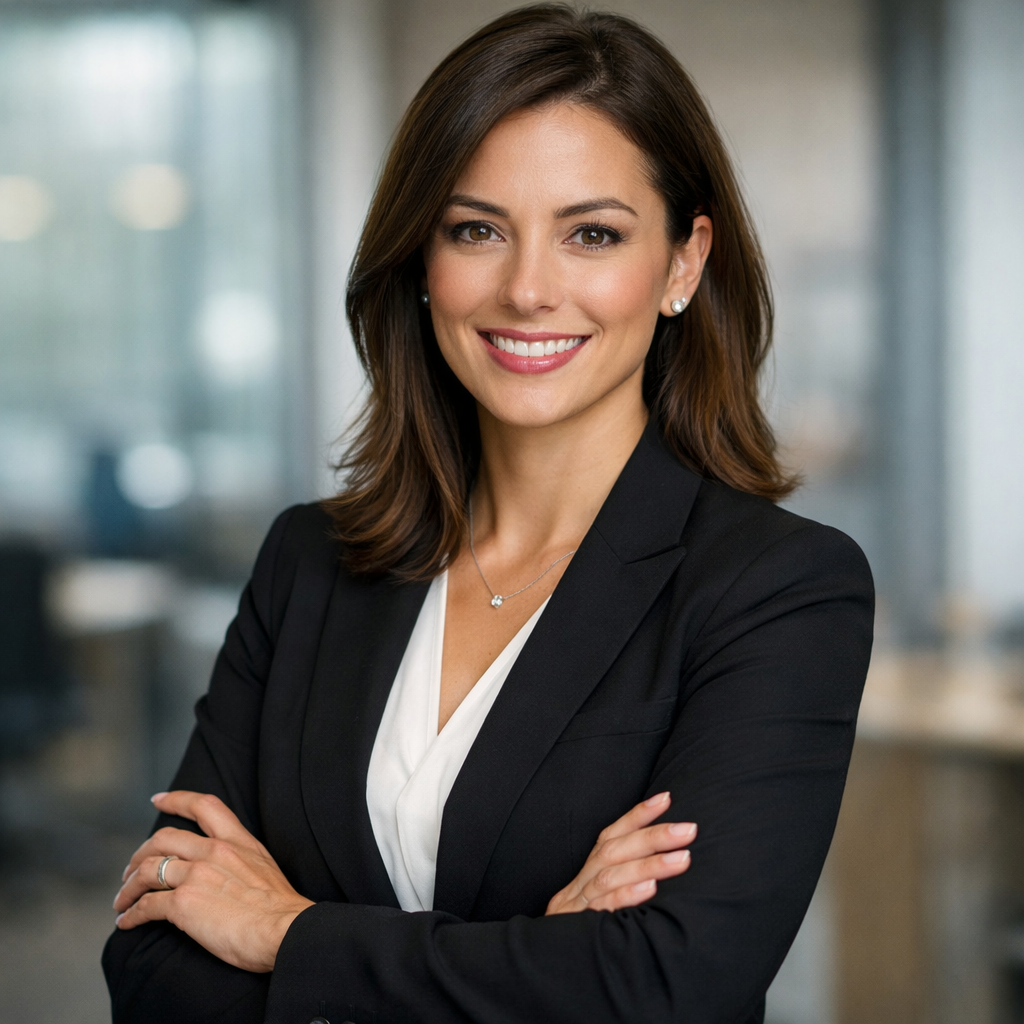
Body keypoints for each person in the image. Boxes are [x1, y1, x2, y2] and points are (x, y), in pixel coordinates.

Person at [103, 6, 874, 1022]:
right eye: (477, 230)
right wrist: (542, 955)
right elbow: (156, 959)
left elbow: (669, 987)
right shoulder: (311, 561)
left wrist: (284, 931)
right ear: (423, 261)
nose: (525, 289)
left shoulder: (775, 589)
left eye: (590, 234)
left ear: (683, 264)